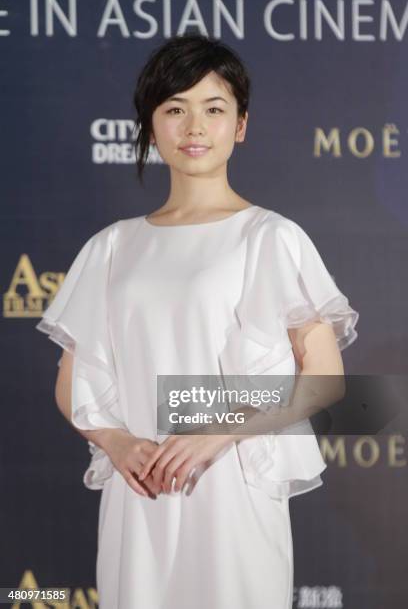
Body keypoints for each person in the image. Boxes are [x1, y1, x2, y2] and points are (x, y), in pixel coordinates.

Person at [36, 33, 359, 609]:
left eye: (214, 110)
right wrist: (116, 442)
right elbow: (72, 382)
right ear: (150, 124)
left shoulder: (270, 237)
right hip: (140, 493)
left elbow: (324, 376)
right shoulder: (112, 248)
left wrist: (219, 431)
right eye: (174, 110)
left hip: (231, 487)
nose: (194, 127)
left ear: (240, 125)